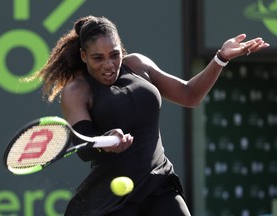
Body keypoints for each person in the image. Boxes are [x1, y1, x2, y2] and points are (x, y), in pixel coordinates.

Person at [33, 15, 269, 216]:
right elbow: (84, 147)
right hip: (112, 200)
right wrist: (106, 142)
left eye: (114, 54)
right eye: (98, 58)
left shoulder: (137, 65)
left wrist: (221, 58)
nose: (109, 64)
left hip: (159, 184)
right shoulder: (76, 90)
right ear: (84, 56)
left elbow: (190, 95)